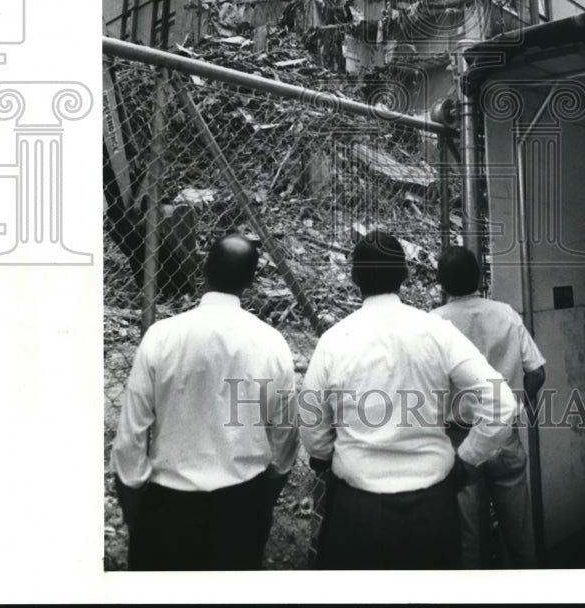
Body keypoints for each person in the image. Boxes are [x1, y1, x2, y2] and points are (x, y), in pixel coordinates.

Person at [300, 231, 517, 570]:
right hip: (431, 507)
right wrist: (469, 458)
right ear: (404, 274)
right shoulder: (436, 332)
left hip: (357, 509)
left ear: (354, 277)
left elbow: (312, 425)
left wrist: (326, 453)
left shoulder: (334, 340)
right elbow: (501, 403)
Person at [111, 234, 299, 571]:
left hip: (168, 506)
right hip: (240, 505)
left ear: (203, 271)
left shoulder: (161, 336)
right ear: (251, 281)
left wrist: (138, 521)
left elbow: (130, 441)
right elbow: (286, 441)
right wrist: (261, 504)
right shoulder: (272, 344)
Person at [433, 245, 546, 569]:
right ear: (480, 276)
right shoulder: (506, 314)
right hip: (503, 434)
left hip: (459, 440)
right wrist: (521, 405)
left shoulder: (433, 324)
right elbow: (536, 371)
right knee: (520, 532)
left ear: (441, 283)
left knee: (468, 538)